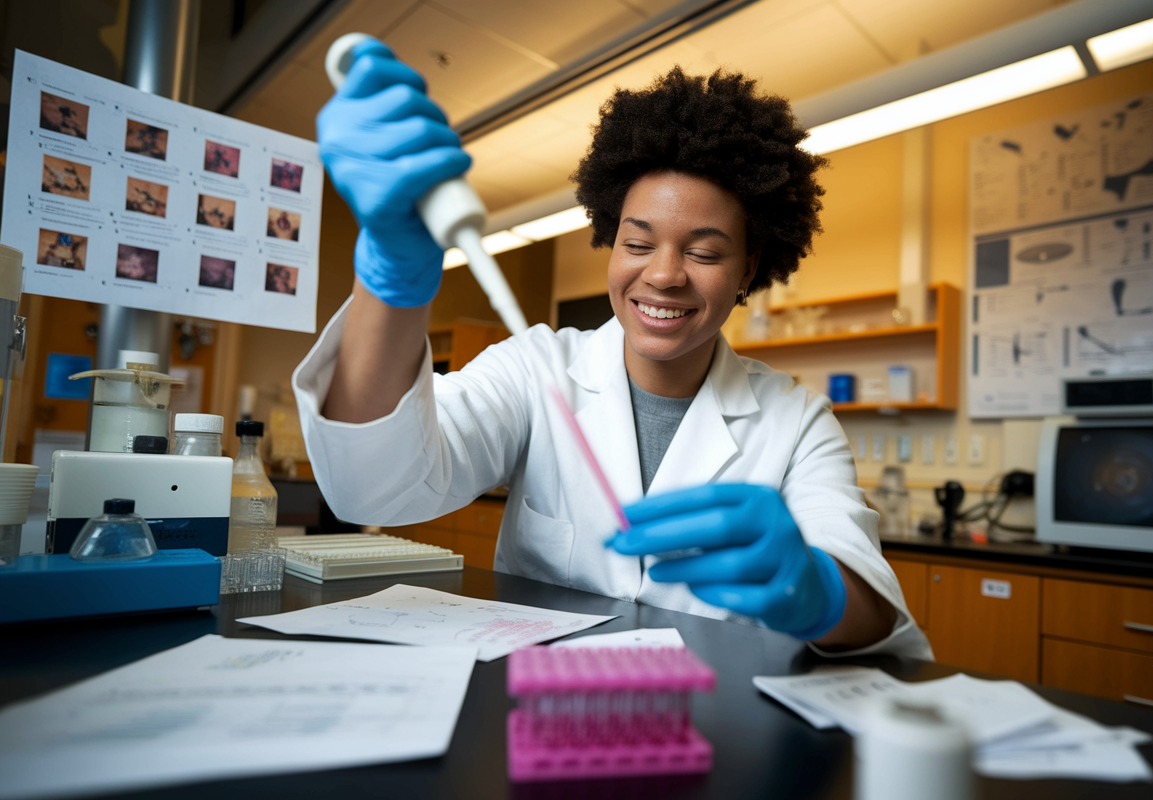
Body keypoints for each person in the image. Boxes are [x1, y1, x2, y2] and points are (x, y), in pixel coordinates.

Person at [295, 39, 930, 658]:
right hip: (549, 712)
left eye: (705, 251)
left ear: (747, 270)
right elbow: (370, 489)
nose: (664, 274)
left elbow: (877, 618)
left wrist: (815, 591)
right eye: (637, 242)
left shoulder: (795, 422)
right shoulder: (535, 368)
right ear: (610, 240)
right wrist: (391, 277)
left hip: (717, 724)